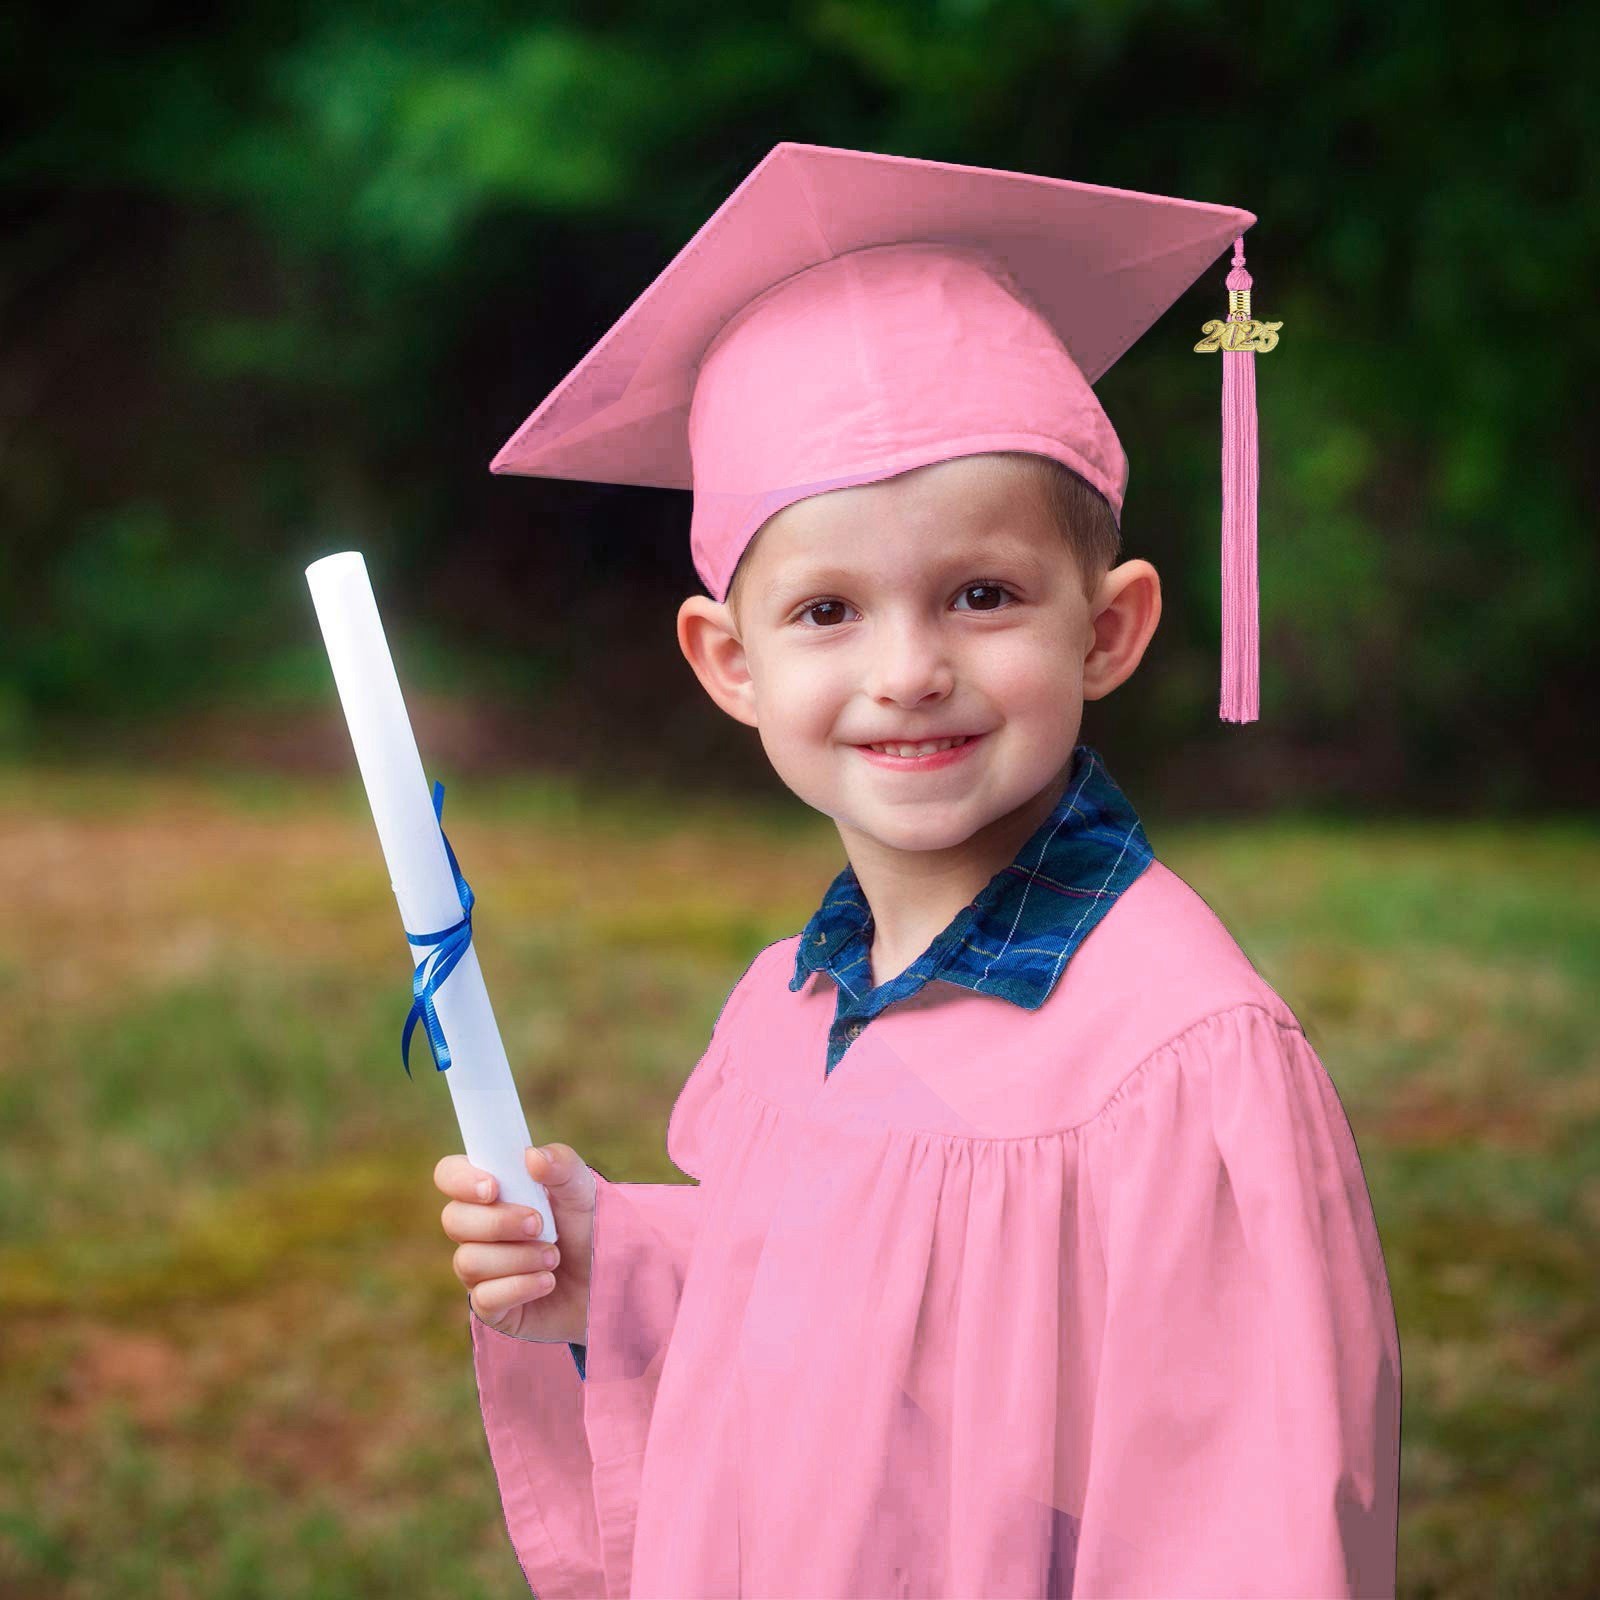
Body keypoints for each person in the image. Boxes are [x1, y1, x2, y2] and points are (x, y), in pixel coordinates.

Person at [433, 143, 1402, 1598]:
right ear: (730, 663)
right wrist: (617, 1270)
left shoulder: (1182, 1067)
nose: (909, 671)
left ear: (1109, 628)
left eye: (982, 595)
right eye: (827, 610)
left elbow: (1236, 1533)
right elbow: (854, 1353)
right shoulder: (796, 999)